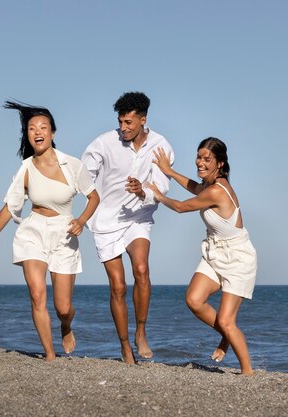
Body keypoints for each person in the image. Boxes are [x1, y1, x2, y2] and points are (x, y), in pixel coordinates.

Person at [0, 100, 100, 362]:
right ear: (28, 135)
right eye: (32, 128)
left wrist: (81, 220)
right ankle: (49, 354)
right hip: (33, 231)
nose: (37, 132)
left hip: (65, 233)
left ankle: (66, 326)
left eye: (43, 127)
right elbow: (10, 205)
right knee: (37, 294)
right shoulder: (25, 168)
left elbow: (94, 197)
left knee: (63, 308)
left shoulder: (72, 165)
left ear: (52, 133)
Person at [146, 137, 257, 375]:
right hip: (215, 251)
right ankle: (227, 335)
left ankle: (248, 372)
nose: (200, 162)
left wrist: (157, 194)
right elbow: (194, 187)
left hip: (237, 257)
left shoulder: (217, 190)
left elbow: (181, 207)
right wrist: (169, 171)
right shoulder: (209, 185)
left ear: (220, 163)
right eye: (199, 157)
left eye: (207, 159)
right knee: (194, 300)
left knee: (227, 321)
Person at [81, 91, 173, 364]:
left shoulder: (160, 145)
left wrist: (142, 190)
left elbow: (163, 186)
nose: (123, 128)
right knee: (118, 286)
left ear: (143, 120)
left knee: (142, 270)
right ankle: (124, 347)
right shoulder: (104, 143)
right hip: (106, 220)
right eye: (120, 122)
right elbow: (83, 173)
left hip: (138, 217)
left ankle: (141, 332)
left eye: (129, 123)